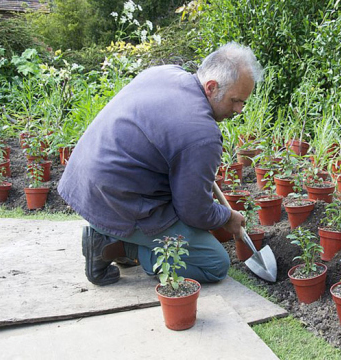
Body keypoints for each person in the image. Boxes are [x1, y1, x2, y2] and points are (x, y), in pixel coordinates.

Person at [58, 42, 264, 286]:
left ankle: (111, 233)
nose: (239, 110)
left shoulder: (164, 73)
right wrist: (226, 216)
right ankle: (113, 247)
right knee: (213, 263)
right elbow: (194, 212)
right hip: (115, 199)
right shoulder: (201, 134)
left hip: (84, 182)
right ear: (211, 87)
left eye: (244, 102)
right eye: (236, 100)